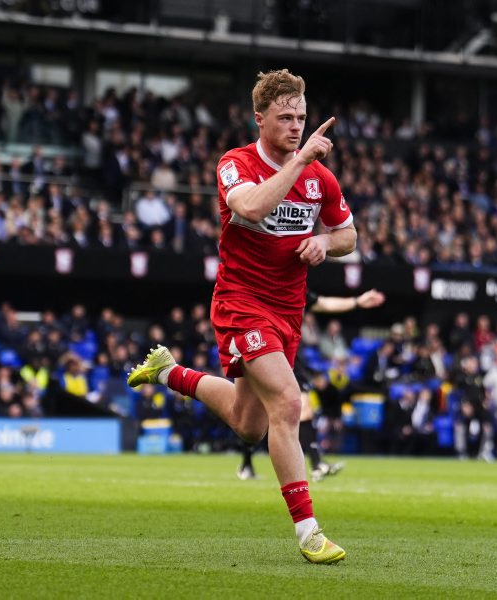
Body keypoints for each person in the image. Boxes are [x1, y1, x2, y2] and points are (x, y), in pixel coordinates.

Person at [127, 69, 355, 564]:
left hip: (289, 309)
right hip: (241, 301)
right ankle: (309, 533)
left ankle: (168, 372)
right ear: (260, 119)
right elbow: (250, 207)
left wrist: (324, 242)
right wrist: (300, 163)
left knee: (248, 424)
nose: (296, 126)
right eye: (285, 117)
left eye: (301, 117)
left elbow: (348, 235)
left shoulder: (321, 178)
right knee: (289, 403)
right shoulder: (236, 164)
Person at [237, 288, 386, 482]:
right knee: (254, 419)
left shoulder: (296, 288)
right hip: (263, 351)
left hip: (290, 356)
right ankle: (247, 462)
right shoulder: (264, 286)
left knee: (305, 408)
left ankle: (317, 464)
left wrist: (358, 301)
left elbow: (324, 303)